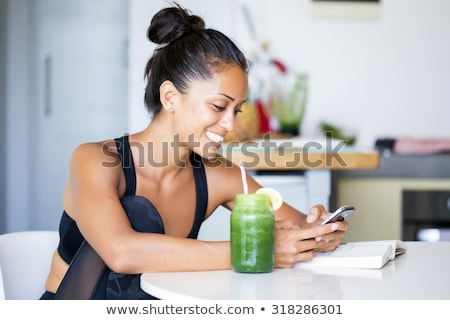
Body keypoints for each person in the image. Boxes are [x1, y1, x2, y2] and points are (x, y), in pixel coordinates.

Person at [40, 3, 348, 300]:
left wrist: (321, 230)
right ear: (170, 96)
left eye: (237, 110)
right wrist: (259, 251)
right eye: (218, 106)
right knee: (138, 212)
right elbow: (122, 252)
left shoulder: (222, 176)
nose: (229, 123)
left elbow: (300, 230)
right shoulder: (96, 160)